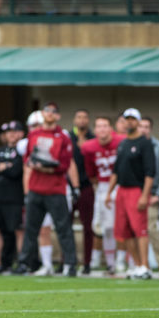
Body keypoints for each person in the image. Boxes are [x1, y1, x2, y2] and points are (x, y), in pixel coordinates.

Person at [14, 101, 77, 276]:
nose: (49, 113)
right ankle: (24, 263)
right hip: (36, 188)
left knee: (63, 228)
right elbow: (27, 159)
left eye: (53, 111)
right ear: (42, 114)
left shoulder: (63, 137)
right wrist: (35, 167)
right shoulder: (34, 135)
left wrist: (49, 168)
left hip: (55, 189)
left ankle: (70, 264)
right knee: (31, 229)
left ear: (58, 116)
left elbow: (65, 164)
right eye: (47, 110)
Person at [106, 108, 155, 279]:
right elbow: (116, 171)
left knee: (140, 229)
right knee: (124, 231)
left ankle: (145, 266)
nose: (129, 122)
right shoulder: (123, 143)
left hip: (136, 190)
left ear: (138, 121)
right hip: (122, 190)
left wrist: (144, 195)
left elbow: (150, 172)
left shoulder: (145, 143)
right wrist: (109, 192)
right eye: (127, 119)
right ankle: (137, 264)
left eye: (133, 119)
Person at [81, 116, 126, 274]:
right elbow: (91, 173)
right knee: (104, 227)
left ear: (111, 128)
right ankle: (111, 263)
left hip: (120, 185)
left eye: (105, 126)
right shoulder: (89, 147)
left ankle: (121, 261)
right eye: (99, 126)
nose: (102, 129)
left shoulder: (121, 142)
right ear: (95, 130)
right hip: (102, 186)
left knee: (120, 225)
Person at [0, 120, 24, 273]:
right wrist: (6, 166)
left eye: (15, 131)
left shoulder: (22, 151)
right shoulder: (0, 150)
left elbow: (16, 171)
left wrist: (4, 167)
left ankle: (22, 262)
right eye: (9, 132)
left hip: (16, 197)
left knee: (18, 230)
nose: (11, 135)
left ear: (21, 134)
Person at [139, 116, 159, 279]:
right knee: (132, 229)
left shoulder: (157, 146)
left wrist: (158, 194)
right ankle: (139, 265)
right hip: (133, 193)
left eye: (146, 127)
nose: (143, 130)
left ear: (150, 129)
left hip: (151, 194)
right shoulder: (130, 144)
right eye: (141, 126)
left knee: (151, 229)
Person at [69, 109, 95, 274]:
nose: (82, 120)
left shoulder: (93, 139)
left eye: (85, 117)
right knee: (66, 226)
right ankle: (67, 261)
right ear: (74, 120)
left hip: (87, 186)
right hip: (68, 187)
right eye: (79, 117)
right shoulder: (68, 138)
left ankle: (87, 262)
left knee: (88, 226)